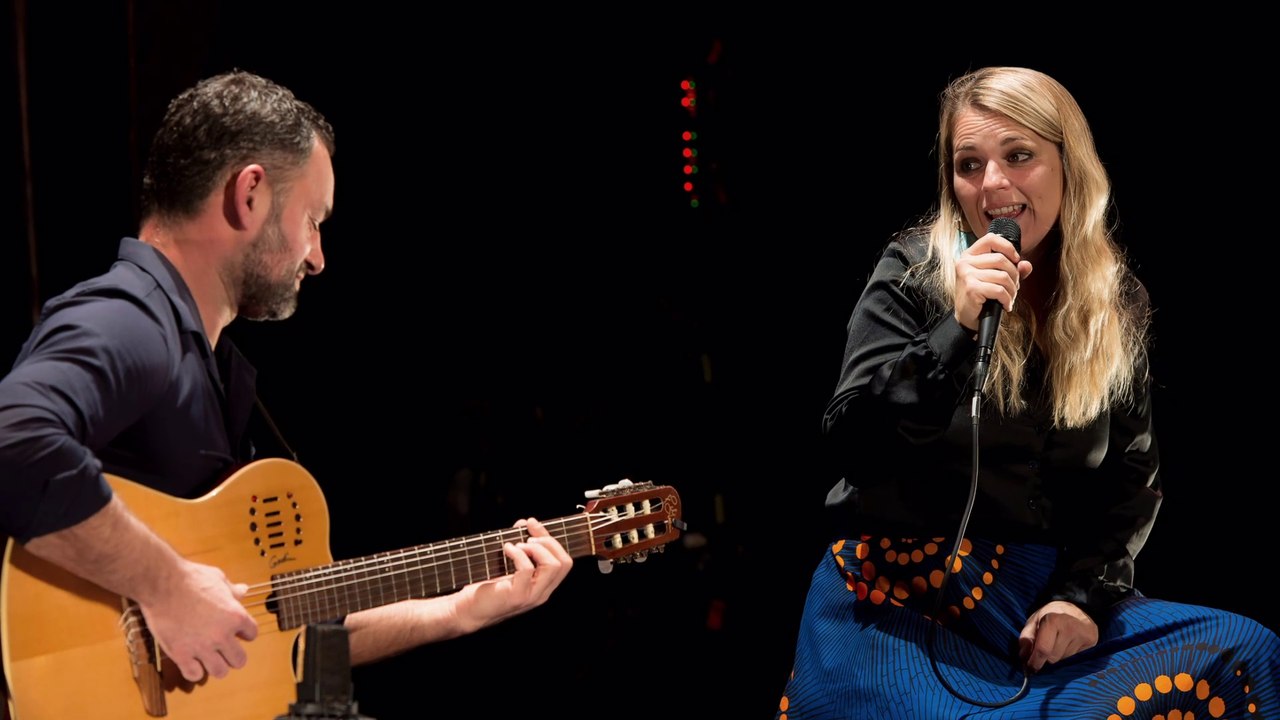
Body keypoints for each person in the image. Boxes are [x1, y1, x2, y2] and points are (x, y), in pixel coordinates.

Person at [0, 70, 571, 703]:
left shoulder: (203, 359)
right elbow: (15, 442)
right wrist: (169, 587)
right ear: (250, 195)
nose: (318, 255)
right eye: (313, 219)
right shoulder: (130, 317)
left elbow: (275, 625)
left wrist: (459, 612)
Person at [772, 66, 1278, 719]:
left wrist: (1080, 597)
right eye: (969, 164)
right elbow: (854, 443)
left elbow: (1133, 480)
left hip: (1030, 602)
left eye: (1019, 156)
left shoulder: (1112, 301)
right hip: (897, 598)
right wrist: (953, 331)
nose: (993, 185)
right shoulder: (912, 272)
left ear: (1070, 165)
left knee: (1242, 654)